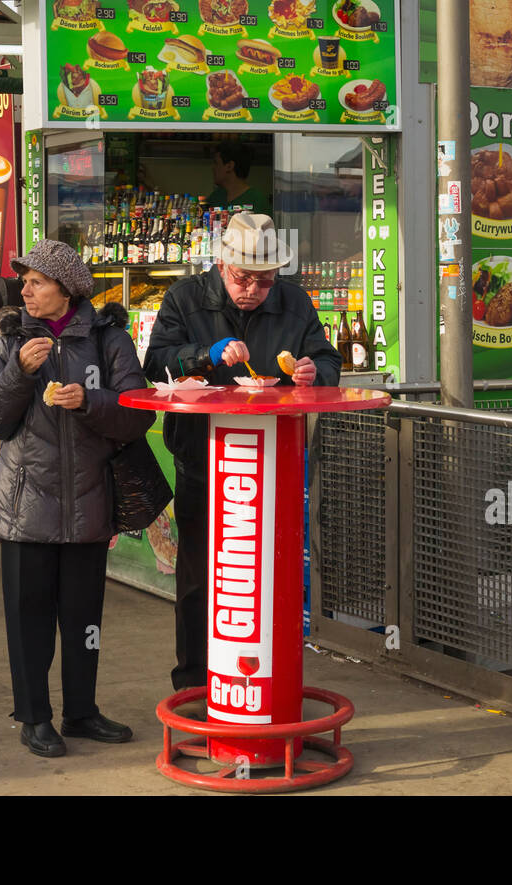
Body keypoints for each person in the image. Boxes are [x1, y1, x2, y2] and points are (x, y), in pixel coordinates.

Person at [0, 239, 154, 757]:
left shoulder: (108, 338)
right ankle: (34, 716)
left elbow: (138, 412)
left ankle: (81, 711)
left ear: (66, 289)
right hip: (26, 502)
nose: (24, 291)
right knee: (28, 615)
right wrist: (18, 374)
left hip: (90, 498)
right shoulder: (9, 337)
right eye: (24, 282)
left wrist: (90, 401)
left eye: (35, 282)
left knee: (84, 618)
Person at [142, 212, 341, 691]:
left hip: (274, 462)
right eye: (242, 278)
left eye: (265, 280)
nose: (252, 289)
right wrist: (204, 355)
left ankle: (266, 679)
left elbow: (328, 358)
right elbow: (155, 362)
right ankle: (194, 684)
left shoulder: (295, 303)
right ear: (221, 264)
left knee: (269, 572)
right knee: (198, 576)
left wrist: (317, 372)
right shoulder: (185, 298)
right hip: (202, 458)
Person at [206, 141, 271, 217]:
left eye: (216, 163)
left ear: (229, 166)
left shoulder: (257, 200)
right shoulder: (216, 196)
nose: (213, 168)